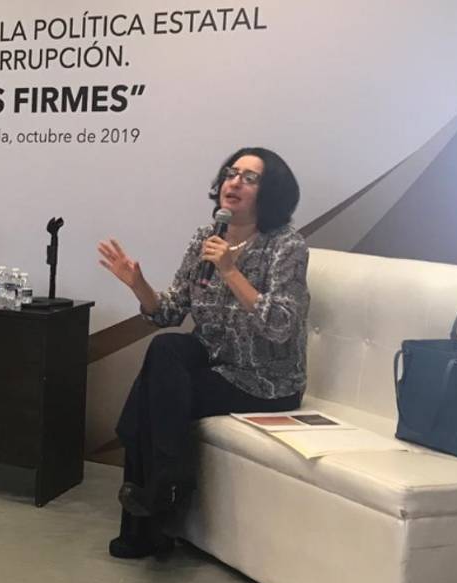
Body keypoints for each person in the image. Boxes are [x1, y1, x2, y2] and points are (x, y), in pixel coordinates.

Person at [97, 147, 308, 558]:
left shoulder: (287, 246)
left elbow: (280, 325)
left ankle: (147, 525)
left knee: (150, 402)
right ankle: (168, 484)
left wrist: (230, 270)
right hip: (214, 364)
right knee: (167, 348)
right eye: (231, 173)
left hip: (264, 381)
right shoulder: (206, 237)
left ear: (271, 192)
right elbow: (170, 312)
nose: (234, 182)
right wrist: (137, 285)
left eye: (249, 177)